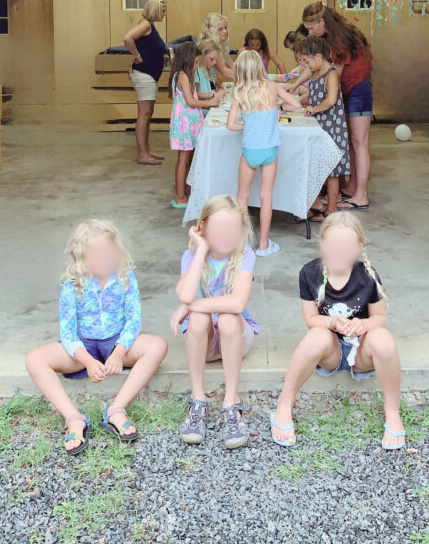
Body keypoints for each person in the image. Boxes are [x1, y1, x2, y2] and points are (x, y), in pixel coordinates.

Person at [25, 220, 168, 455]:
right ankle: (74, 418)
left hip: (117, 342)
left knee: (158, 346)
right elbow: (68, 333)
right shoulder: (72, 286)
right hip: (83, 349)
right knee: (34, 359)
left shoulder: (125, 278)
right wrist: (88, 362)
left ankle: (116, 410)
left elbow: (134, 320)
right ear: (81, 257)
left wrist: (120, 352)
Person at [270, 211, 404, 452]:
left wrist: (363, 325)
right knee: (317, 336)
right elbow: (311, 319)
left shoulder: (367, 275)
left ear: (360, 246)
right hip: (331, 351)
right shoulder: (309, 274)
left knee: (383, 339)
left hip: (361, 351)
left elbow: (380, 318)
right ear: (321, 244)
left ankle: (392, 412)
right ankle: (284, 403)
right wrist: (331, 323)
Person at [170, 195, 258, 450]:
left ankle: (231, 402)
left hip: (237, 338)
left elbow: (237, 303)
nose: (225, 235)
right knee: (198, 317)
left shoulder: (245, 255)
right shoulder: (191, 256)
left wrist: (188, 307)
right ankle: (198, 398)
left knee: (229, 318)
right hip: (205, 341)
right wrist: (201, 250)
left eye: (232, 229)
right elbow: (185, 294)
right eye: (218, 229)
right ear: (202, 227)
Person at [227, 50, 302, 256]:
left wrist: (247, 126)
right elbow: (296, 104)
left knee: (242, 197)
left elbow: (230, 124)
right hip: (270, 150)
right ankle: (263, 244)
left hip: (249, 150)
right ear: (261, 66)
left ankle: (242, 245)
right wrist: (278, 109)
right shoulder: (272, 87)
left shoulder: (239, 92)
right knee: (266, 196)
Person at [302, 1, 372, 211]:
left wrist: (312, 98)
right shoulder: (327, 38)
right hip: (348, 90)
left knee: (360, 142)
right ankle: (352, 187)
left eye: (312, 28)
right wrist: (296, 85)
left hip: (358, 89)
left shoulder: (339, 40)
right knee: (351, 141)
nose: (310, 33)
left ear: (322, 22)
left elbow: (332, 76)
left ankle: (361, 194)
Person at [301, 37, 350, 221]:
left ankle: (331, 209)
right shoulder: (315, 73)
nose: (306, 66)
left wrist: (314, 108)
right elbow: (311, 95)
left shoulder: (331, 74)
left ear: (319, 57)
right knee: (317, 167)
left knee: (332, 171)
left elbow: (330, 100)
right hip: (319, 128)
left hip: (332, 127)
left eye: (307, 61)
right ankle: (315, 204)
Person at [169, 41, 220, 210]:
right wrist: (209, 103)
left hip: (189, 121)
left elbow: (194, 95)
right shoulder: (182, 76)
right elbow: (191, 101)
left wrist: (211, 95)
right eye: (196, 62)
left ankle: (187, 188)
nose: (197, 65)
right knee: (183, 157)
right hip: (185, 122)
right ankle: (180, 195)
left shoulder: (185, 75)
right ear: (187, 60)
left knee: (188, 157)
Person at [123, 0, 167, 166]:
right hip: (144, 74)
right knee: (144, 114)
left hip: (149, 75)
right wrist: (137, 56)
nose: (165, 13)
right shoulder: (146, 25)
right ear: (155, 10)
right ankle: (142, 154)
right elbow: (127, 38)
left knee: (147, 113)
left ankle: (146, 150)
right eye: (163, 10)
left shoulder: (149, 25)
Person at [198, 13, 234, 82]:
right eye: (220, 29)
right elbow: (224, 71)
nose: (225, 31)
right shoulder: (211, 46)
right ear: (212, 31)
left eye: (225, 28)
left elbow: (231, 64)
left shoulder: (220, 44)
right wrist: (244, 77)